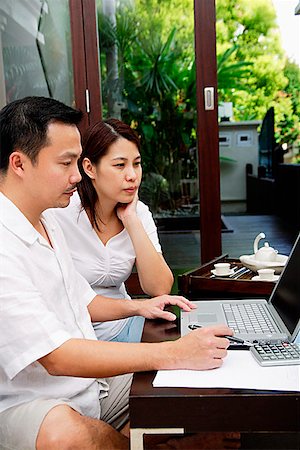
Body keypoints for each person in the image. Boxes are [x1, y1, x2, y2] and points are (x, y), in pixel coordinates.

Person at [0, 96, 233, 450]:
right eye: (66, 163)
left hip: (90, 387)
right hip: (31, 402)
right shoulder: (8, 240)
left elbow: (84, 300)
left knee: (212, 375)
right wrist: (174, 353)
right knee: (66, 433)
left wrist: (138, 307)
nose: (76, 175)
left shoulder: (46, 220)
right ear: (19, 163)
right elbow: (57, 357)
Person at [53, 118, 173, 342]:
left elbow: (160, 287)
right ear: (89, 168)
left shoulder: (139, 213)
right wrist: (135, 306)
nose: (132, 175)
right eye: (120, 165)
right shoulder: (60, 211)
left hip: (125, 327)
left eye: (136, 164)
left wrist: (131, 220)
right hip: (73, 336)